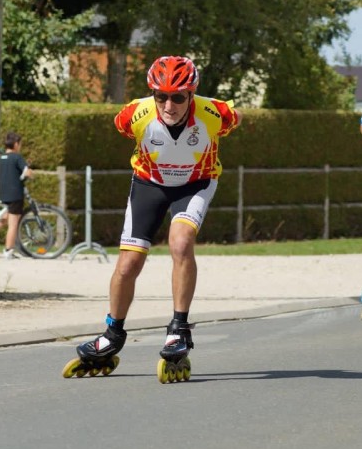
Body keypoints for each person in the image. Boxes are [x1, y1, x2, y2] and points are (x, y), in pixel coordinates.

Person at [76, 55, 242, 375]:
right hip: (149, 184)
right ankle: (112, 333)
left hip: (195, 184)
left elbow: (236, 118)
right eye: (161, 96)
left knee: (180, 243)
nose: (169, 105)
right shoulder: (134, 114)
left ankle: (179, 328)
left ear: (191, 95)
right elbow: (122, 127)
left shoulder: (214, 114)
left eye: (178, 97)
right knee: (128, 263)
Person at [0, 131, 33, 260]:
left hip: (2, 193)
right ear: (16, 144)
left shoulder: (0, 158)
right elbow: (27, 172)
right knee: (13, 224)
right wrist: (30, 173)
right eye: (20, 144)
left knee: (3, 220)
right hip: (15, 194)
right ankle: (8, 251)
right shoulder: (17, 157)